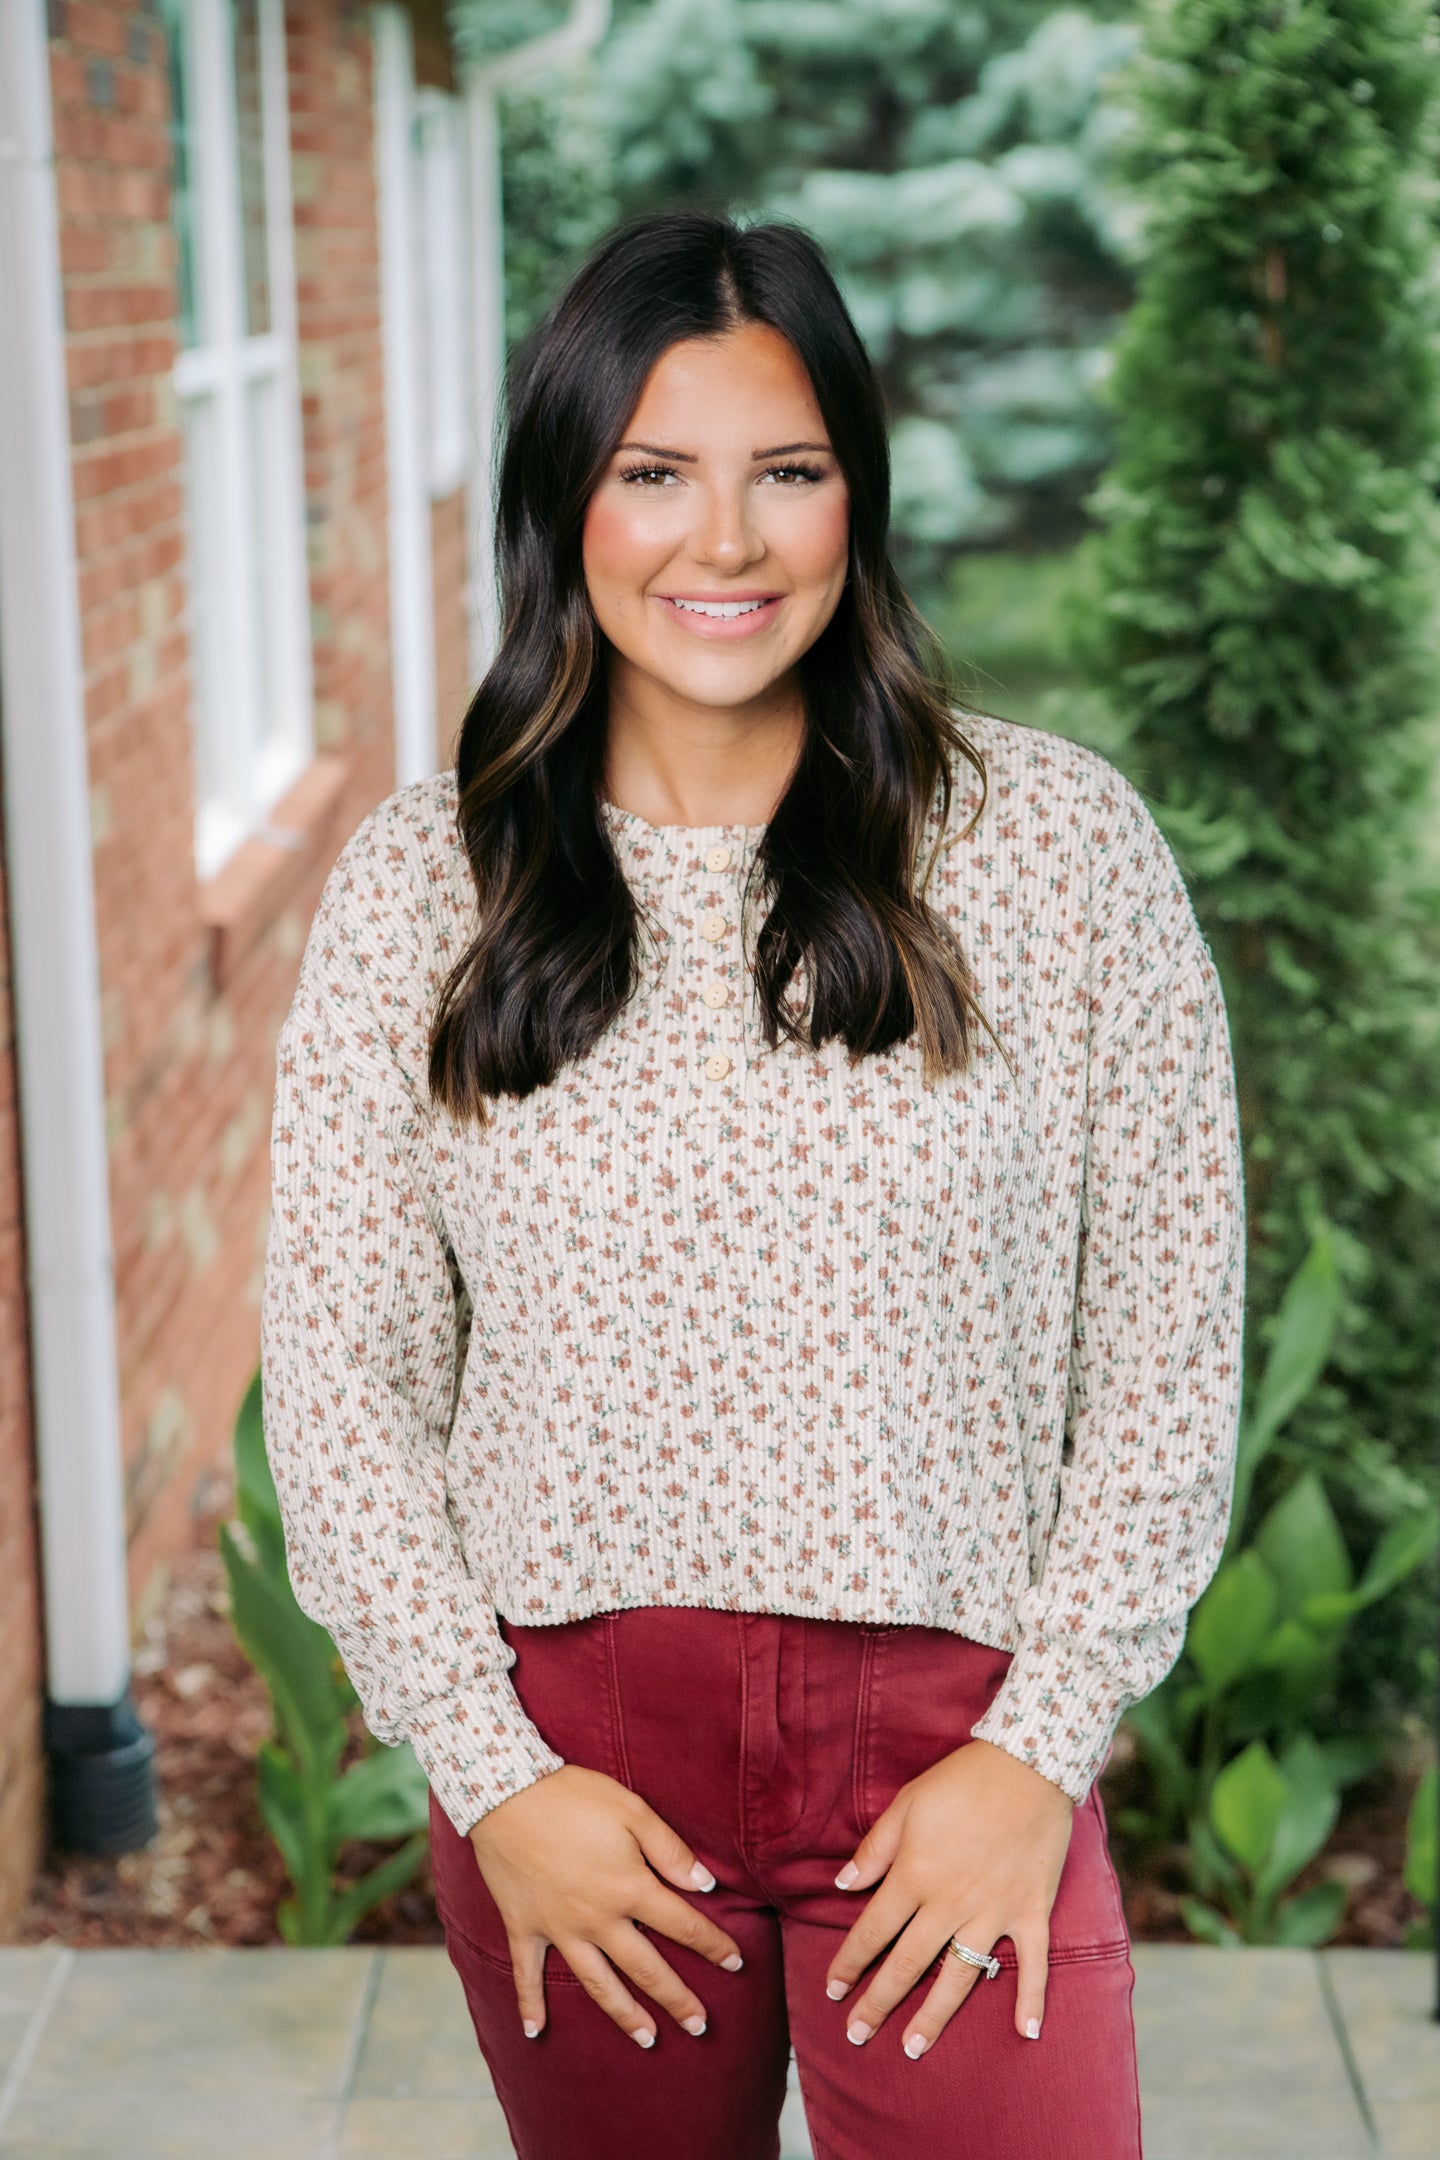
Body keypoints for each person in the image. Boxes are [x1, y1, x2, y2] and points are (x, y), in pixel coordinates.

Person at [260, 211, 1245, 2160]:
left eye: (786, 473)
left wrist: (1038, 1752)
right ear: (569, 499)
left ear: (855, 502)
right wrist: (492, 1773)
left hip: (958, 1743)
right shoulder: (425, 887)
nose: (727, 542)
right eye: (655, 474)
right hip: (579, 1769)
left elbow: (1168, 1335)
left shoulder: (1053, 852)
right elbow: (346, 1377)